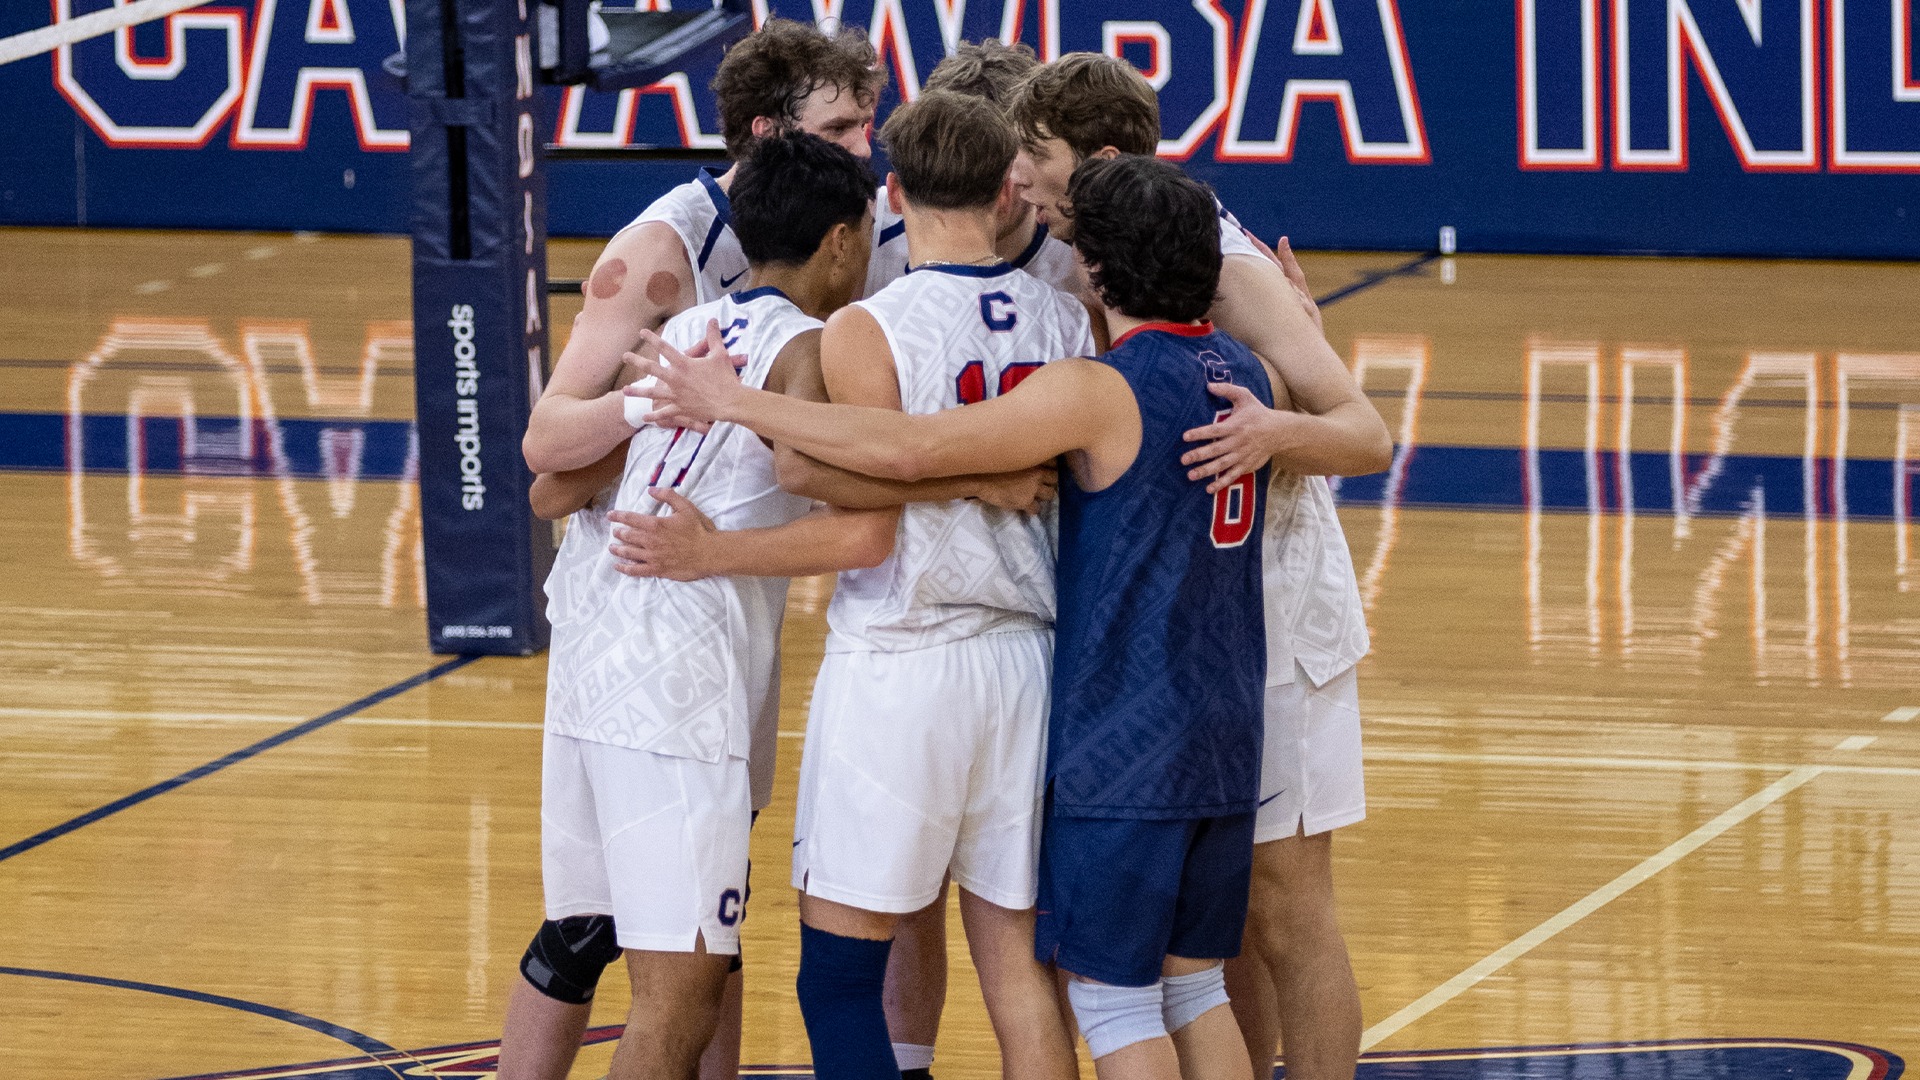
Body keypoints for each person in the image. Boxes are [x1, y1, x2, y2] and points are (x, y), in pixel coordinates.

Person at [631, 152, 1278, 1080]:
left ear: (1095, 266)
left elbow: (909, 449)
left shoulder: (1100, 386)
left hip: (1111, 730)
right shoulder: (1246, 372)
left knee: (1111, 997)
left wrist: (735, 400)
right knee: (1187, 988)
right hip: (1217, 725)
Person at [499, 20, 888, 1080]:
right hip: (677, 672)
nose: (867, 151)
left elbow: (554, 487)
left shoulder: (697, 336)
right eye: (846, 129)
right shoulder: (667, 266)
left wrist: (663, 417)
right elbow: (544, 453)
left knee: (675, 942)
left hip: (600, 646)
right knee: (669, 982)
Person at [1006, 51, 1385, 1080]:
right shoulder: (1088, 250)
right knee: (1207, 944)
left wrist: (1271, 434)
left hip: (1278, 609)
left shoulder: (1226, 264)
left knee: (1287, 907)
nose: (1021, 171)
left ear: (1105, 160)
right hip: (1196, 619)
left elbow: (1364, 431)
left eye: (1038, 153)